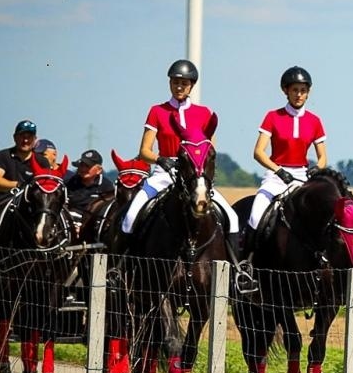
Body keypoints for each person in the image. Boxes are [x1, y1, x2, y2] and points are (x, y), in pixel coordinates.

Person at [120, 59, 243, 260]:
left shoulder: (204, 113)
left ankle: (235, 270)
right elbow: (144, 151)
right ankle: (122, 265)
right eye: (175, 82)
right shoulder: (157, 111)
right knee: (130, 217)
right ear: (170, 83)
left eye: (184, 83)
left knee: (232, 217)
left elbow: (209, 151)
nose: (179, 87)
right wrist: (161, 159)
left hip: (194, 176)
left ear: (191, 86)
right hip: (163, 174)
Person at [248, 66, 328, 239]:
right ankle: (247, 253)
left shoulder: (315, 121)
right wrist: (278, 170)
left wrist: (316, 168)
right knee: (255, 216)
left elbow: (323, 158)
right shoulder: (272, 116)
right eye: (294, 90)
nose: (299, 94)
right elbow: (258, 152)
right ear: (286, 90)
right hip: (276, 176)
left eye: (303, 90)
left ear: (308, 92)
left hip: (302, 177)